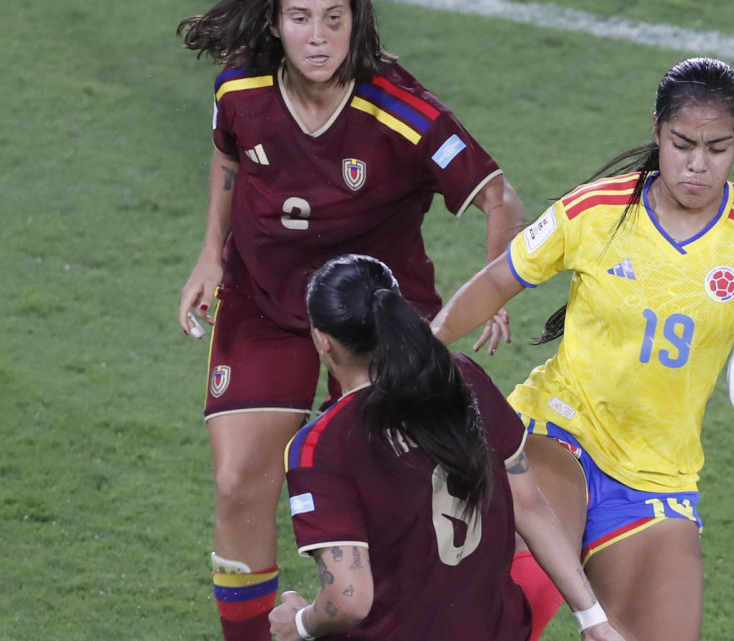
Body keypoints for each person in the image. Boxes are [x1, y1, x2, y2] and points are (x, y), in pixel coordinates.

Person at [432, 57, 734, 641]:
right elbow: (500, 279)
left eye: (717, 148)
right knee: (519, 595)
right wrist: (423, 346)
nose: (697, 165)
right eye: (682, 143)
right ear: (656, 131)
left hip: (657, 478)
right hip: (557, 432)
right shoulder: (594, 211)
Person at [175, 0, 522, 638]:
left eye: (335, 17)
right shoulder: (240, 88)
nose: (318, 35)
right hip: (267, 301)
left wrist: (493, 285)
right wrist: (210, 253)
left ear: (357, 18)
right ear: (275, 22)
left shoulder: (400, 107)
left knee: (398, 493)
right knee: (238, 480)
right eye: (301, 17)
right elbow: (230, 157)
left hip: (378, 318)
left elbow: (500, 197)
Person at [265, 255, 624, 641]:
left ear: (322, 340)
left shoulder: (321, 445)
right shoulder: (462, 378)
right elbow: (530, 505)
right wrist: (592, 619)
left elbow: (349, 600)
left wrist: (300, 623)